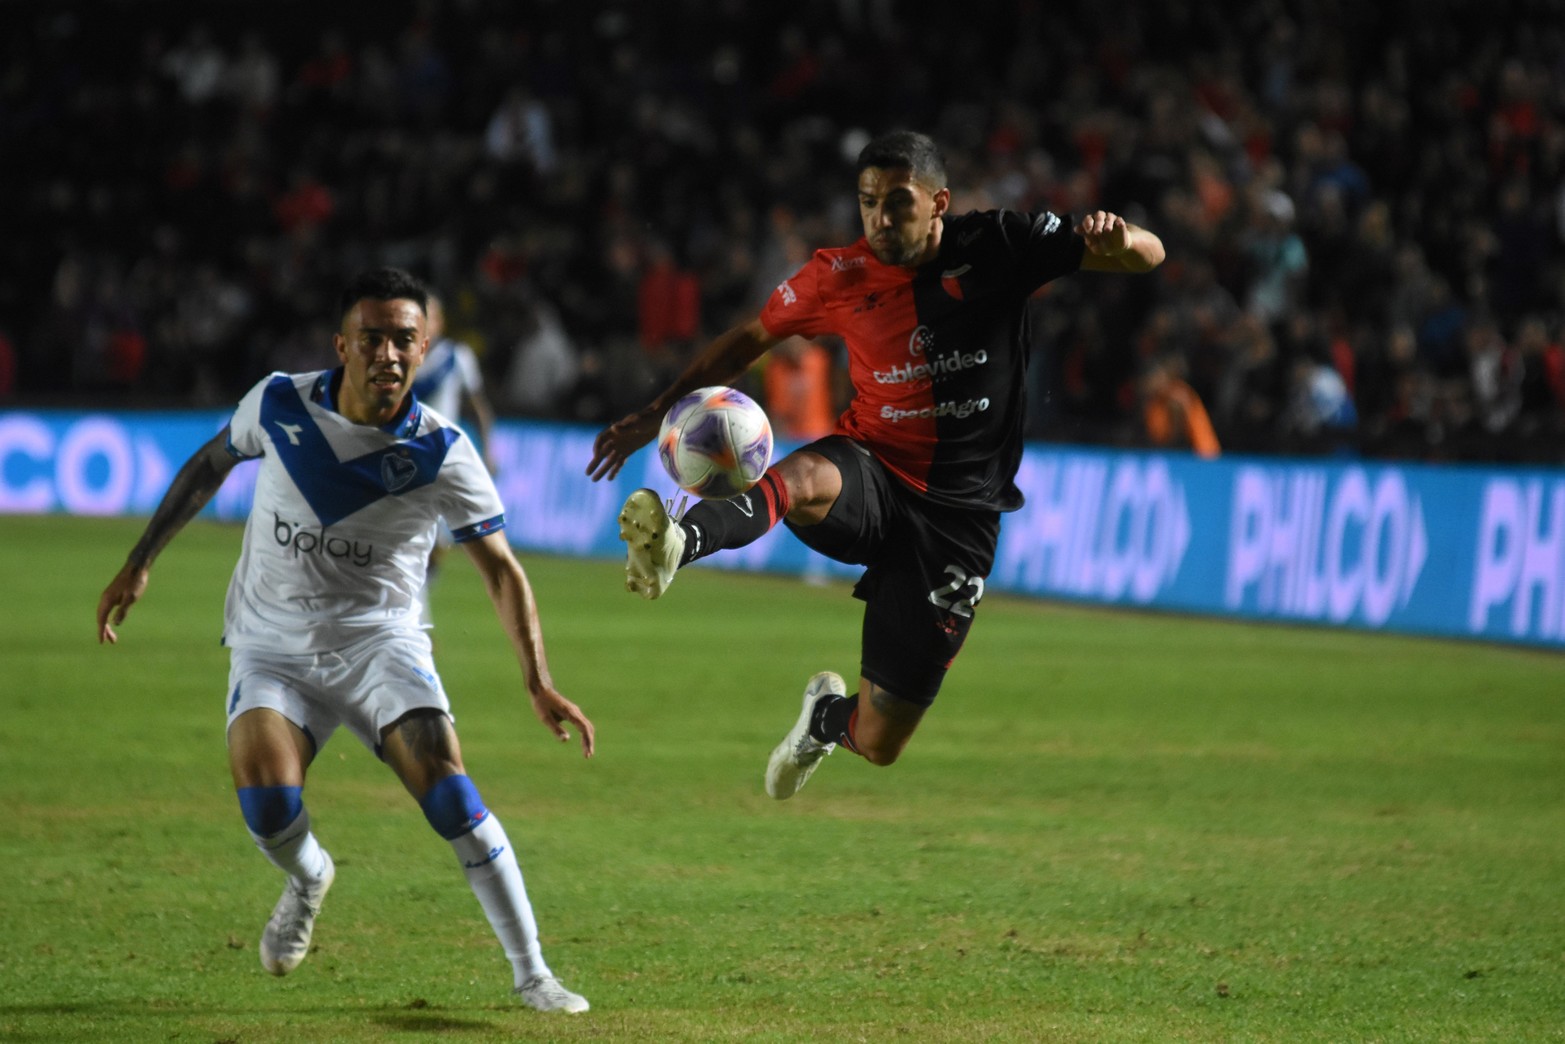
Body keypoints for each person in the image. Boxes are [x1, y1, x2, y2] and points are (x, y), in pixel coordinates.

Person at [587, 131, 1164, 799]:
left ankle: (826, 720)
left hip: (959, 517)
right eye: (867, 203)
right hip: (873, 467)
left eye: (897, 203)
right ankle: (683, 540)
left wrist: (1120, 239)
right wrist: (655, 411)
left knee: (882, 740)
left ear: (939, 202)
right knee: (800, 478)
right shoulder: (837, 276)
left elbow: (1150, 255)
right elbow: (747, 339)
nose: (880, 220)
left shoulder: (1001, 245)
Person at [97, 268, 595, 1014]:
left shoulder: (444, 452)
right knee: (266, 805)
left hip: (380, 647)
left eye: (404, 340)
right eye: (373, 339)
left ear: (425, 350)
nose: (388, 354)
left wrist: (537, 678)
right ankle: (308, 877)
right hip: (273, 645)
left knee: (452, 797)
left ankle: (533, 974)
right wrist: (139, 563)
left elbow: (501, 570)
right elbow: (209, 464)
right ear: (342, 345)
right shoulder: (277, 402)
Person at [411, 293, 499, 626]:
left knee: (438, 544)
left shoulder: (456, 356)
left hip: (443, 457)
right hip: (404, 456)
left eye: (429, 316)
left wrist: (489, 448)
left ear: (440, 322)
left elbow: (477, 404)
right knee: (415, 533)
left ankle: (415, 598)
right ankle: (411, 610)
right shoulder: (402, 356)